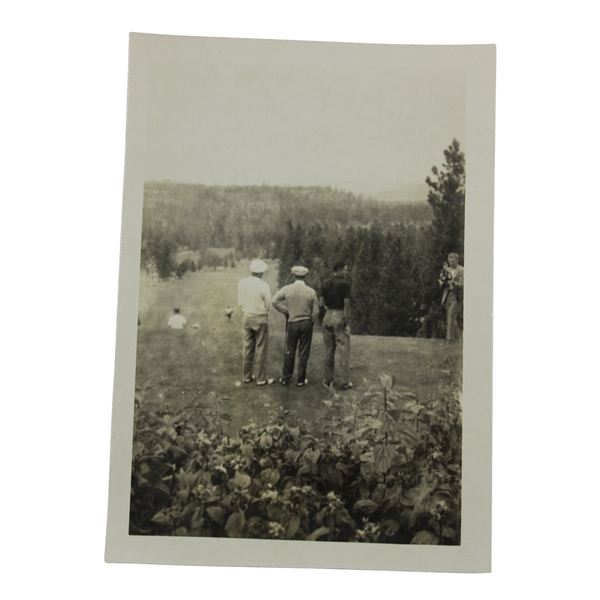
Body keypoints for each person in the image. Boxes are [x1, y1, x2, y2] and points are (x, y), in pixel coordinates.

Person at [271, 266, 319, 387]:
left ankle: (286, 378)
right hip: (306, 322)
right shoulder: (311, 291)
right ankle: (300, 380)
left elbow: (274, 301)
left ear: (293, 276)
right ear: (305, 276)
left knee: (289, 350)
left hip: (292, 322)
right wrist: (312, 320)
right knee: (303, 352)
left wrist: (285, 311)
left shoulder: (287, 289)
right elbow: (316, 311)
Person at [237, 259, 274, 386]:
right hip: (260, 317)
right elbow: (268, 304)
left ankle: (246, 377)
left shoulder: (242, 282)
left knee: (247, 347)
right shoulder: (263, 285)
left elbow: (240, 302)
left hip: (246, 316)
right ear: (261, 273)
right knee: (261, 348)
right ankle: (261, 378)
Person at [319, 261, 353, 390]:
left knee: (328, 350)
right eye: (345, 269)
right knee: (343, 350)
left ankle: (328, 380)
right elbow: (347, 305)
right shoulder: (345, 285)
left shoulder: (325, 283)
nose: (346, 272)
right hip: (339, 316)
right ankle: (344, 382)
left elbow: (321, 303)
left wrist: (328, 310)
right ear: (338, 270)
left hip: (328, 316)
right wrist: (348, 323)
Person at [439, 252, 464, 341]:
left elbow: (463, 284)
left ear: (457, 260)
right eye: (450, 261)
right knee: (451, 318)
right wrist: (442, 282)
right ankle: (458, 339)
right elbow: (442, 284)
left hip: (457, 297)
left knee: (451, 315)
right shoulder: (447, 270)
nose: (451, 263)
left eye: (453, 261)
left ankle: (449, 340)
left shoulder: (462, 270)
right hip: (447, 296)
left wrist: (453, 283)